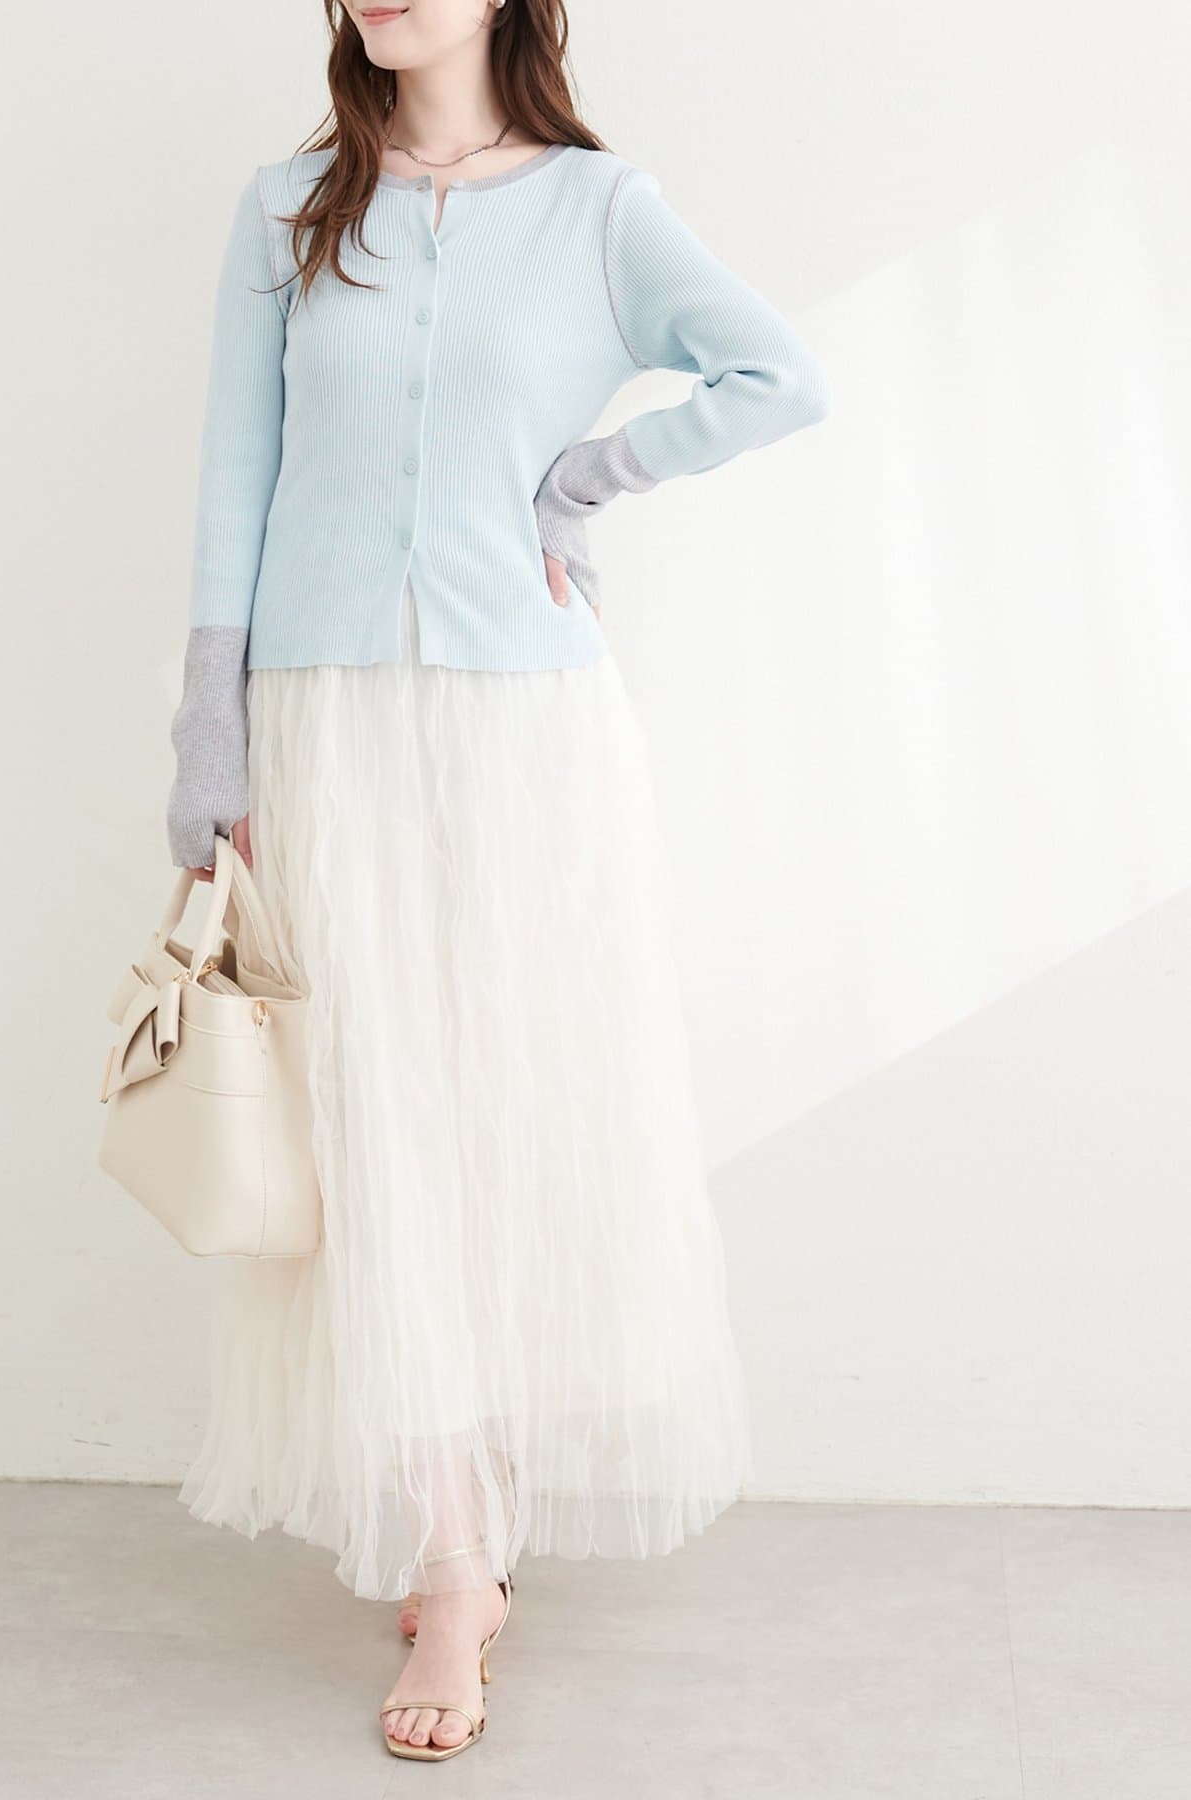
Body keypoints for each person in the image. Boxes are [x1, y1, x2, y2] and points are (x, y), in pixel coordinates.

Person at [164, 0, 830, 1764]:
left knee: (508, 1111)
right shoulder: (289, 203)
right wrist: (208, 739)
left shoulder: (601, 210)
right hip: (325, 723)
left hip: (526, 730)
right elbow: (236, 475)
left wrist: (590, 478)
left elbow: (779, 375)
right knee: (375, 1125)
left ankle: (484, 1485)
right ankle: (454, 1564)